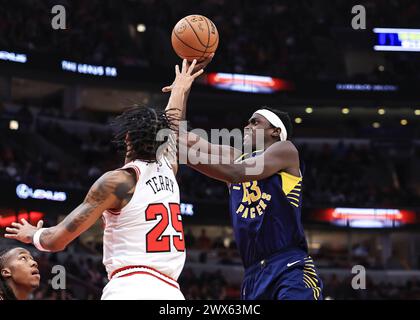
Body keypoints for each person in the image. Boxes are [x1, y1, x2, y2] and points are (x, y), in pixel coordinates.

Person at [4, 58, 211, 300]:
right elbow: (172, 128)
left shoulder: (118, 182)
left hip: (128, 289)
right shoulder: (169, 168)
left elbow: (58, 240)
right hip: (171, 293)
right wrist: (181, 90)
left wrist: (33, 235)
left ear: (127, 140)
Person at [177, 103, 324, 299]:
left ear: (275, 131)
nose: (247, 126)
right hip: (252, 275)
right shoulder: (235, 157)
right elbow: (184, 139)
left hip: (288, 267)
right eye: (248, 122)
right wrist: (182, 90)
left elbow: (235, 172)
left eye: (255, 122)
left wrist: (180, 154)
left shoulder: (286, 149)